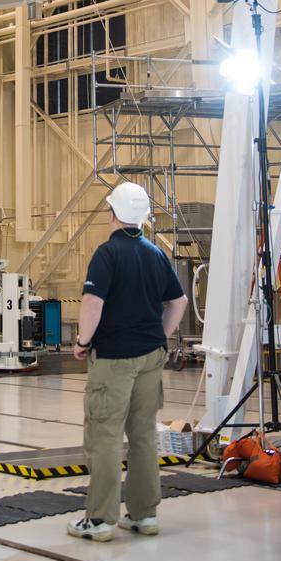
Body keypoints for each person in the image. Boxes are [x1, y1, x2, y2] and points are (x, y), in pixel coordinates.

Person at [67, 181, 187, 542]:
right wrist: (159, 338)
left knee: (104, 437)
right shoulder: (155, 254)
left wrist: (82, 341)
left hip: (114, 359)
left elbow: (93, 303)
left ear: (113, 214)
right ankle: (144, 515)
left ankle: (101, 519)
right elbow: (178, 302)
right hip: (151, 357)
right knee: (143, 436)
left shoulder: (107, 254)